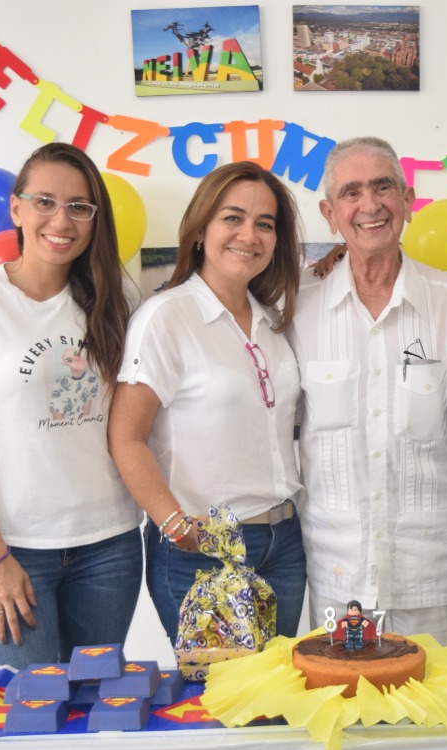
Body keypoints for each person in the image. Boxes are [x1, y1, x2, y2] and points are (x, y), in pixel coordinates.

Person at [0, 142, 143, 671]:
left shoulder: (116, 302)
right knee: (27, 709)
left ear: (94, 219)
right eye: (45, 202)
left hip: (108, 545)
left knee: (98, 702)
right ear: (16, 209)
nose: (61, 220)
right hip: (13, 546)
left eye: (79, 207)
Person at [290, 137, 447, 643]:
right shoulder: (299, 309)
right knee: (340, 693)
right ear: (330, 214)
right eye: (351, 193)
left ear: (408, 200)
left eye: (383, 187)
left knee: (439, 694)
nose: (370, 205)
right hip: (337, 574)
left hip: (431, 574)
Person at [109, 161, 306, 640]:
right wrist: (175, 526)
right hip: (207, 546)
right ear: (200, 230)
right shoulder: (166, 317)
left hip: (284, 542)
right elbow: (126, 437)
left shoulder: (273, 321)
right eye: (232, 218)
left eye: (265, 224)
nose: (249, 235)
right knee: (219, 689)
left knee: (277, 687)